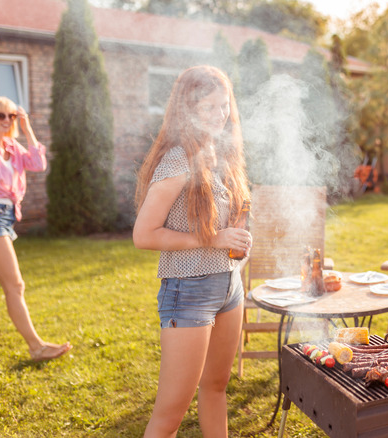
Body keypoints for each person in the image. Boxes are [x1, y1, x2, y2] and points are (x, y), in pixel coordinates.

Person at [133, 65, 251, 437]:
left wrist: (236, 232)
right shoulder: (177, 160)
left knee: (216, 389)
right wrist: (212, 238)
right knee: (170, 415)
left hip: (229, 286)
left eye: (224, 105)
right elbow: (144, 234)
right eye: (209, 108)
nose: (220, 115)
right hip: (188, 290)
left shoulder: (221, 152)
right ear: (187, 110)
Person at [0, 96, 72, 360]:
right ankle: (36, 347)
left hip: (6, 217)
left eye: (11, 116)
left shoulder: (11, 145)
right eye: (0, 115)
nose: (7, 120)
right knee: (15, 284)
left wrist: (27, 127)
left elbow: (38, 164)